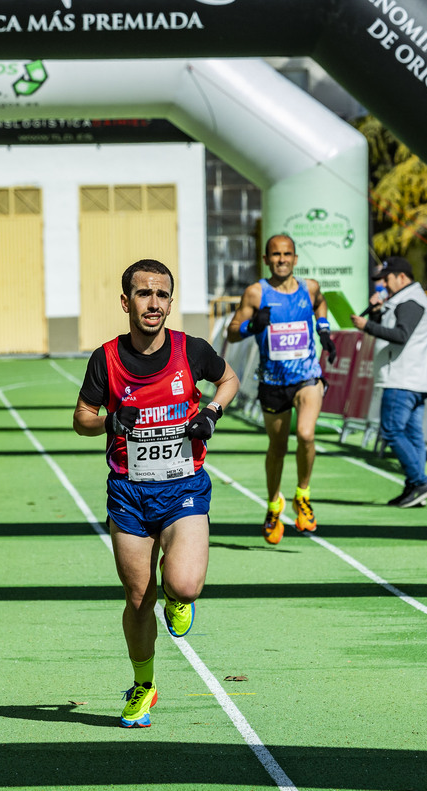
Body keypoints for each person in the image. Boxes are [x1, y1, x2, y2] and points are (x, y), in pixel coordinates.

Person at [73, 258, 239, 729]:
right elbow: (81, 418)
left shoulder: (192, 350)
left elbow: (228, 379)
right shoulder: (105, 359)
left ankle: (179, 594)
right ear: (126, 302)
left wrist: (212, 412)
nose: (154, 303)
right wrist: (108, 421)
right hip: (129, 492)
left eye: (162, 295)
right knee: (139, 597)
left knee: (183, 585)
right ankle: (143, 685)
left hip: (183, 486)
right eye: (144, 294)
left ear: (170, 302)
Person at [227, 234, 335, 544]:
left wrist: (324, 330)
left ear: (296, 259)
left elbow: (321, 304)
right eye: (276, 254)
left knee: (305, 434)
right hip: (272, 382)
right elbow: (232, 332)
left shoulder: (309, 288)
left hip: (307, 378)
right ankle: (274, 505)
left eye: (287, 254)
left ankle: (303, 495)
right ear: (266, 259)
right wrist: (253, 325)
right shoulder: (255, 293)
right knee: (277, 448)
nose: (282, 259)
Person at [350, 256, 427, 508]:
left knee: (391, 430)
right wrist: (377, 313)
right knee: (412, 434)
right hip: (412, 377)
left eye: (386, 280)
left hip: (403, 377)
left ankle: (420, 481)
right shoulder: (403, 299)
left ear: (401, 277)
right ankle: (415, 489)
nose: (383, 286)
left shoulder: (410, 300)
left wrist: (367, 325)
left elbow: (400, 335)